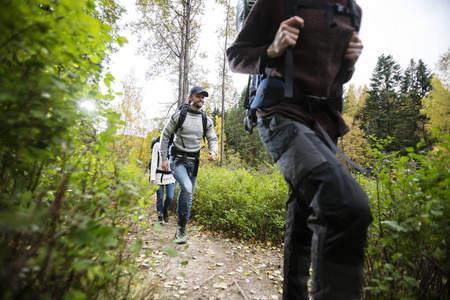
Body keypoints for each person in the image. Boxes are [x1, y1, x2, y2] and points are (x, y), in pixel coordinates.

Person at [226, 1, 373, 299]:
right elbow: (235, 57)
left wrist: (349, 65)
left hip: (323, 127)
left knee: (305, 216)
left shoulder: (352, 11)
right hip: (279, 115)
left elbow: (334, 80)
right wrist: (272, 49)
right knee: (344, 203)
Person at [159, 86, 218, 244]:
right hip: (177, 160)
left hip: (194, 162)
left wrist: (214, 152)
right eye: (198, 96)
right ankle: (180, 229)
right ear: (190, 98)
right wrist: (164, 158)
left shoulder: (205, 119)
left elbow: (213, 138)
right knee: (186, 188)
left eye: (203, 97)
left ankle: (181, 229)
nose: (201, 100)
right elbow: (165, 135)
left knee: (189, 195)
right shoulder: (180, 115)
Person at [150, 136, 175, 225]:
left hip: (171, 176)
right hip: (158, 175)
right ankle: (160, 217)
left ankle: (165, 209)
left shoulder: (174, 145)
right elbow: (153, 161)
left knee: (170, 197)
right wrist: (152, 177)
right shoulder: (157, 145)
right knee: (160, 198)